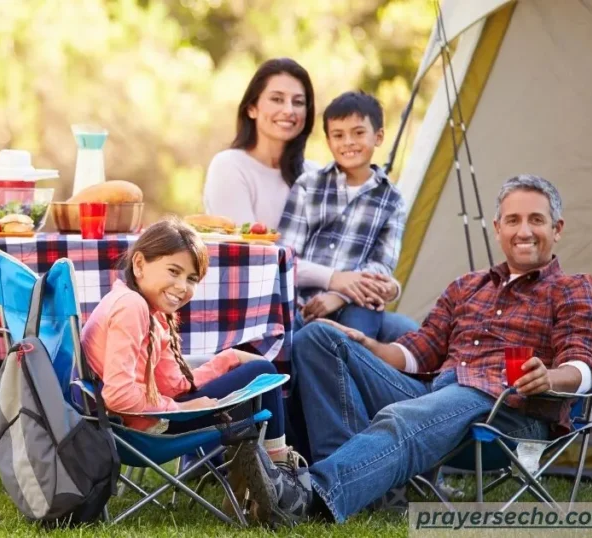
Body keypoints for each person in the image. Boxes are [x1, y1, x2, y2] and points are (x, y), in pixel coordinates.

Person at [264, 174, 592, 524]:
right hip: (435, 392)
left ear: (557, 228)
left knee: (405, 415)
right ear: (497, 228)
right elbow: (418, 352)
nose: (524, 231)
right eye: (513, 220)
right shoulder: (467, 286)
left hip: (508, 411)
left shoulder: (575, 289)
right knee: (317, 336)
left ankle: (309, 495)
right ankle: (360, 489)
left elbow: (584, 362)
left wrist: (549, 376)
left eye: (536, 220)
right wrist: (367, 344)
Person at [80, 216, 304, 523]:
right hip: (148, 428)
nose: (182, 287)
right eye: (174, 271)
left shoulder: (144, 307)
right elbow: (119, 395)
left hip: (146, 418)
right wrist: (183, 408)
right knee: (263, 372)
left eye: (192, 279)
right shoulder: (131, 308)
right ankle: (279, 477)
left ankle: (263, 478)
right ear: (140, 264)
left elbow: (173, 384)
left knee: (253, 373)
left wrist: (229, 360)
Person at [277, 90, 417, 341]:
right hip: (301, 301)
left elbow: (382, 265)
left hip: (356, 304)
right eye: (338, 135)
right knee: (300, 339)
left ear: (379, 136)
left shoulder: (391, 200)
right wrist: (331, 283)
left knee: (358, 333)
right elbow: (284, 258)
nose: (348, 142)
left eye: (358, 133)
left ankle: (350, 370)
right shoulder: (309, 185)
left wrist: (339, 296)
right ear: (329, 141)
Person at [202, 58, 321, 227]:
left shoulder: (316, 175)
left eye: (298, 102)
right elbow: (247, 247)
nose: (289, 110)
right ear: (252, 108)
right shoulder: (229, 166)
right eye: (277, 99)